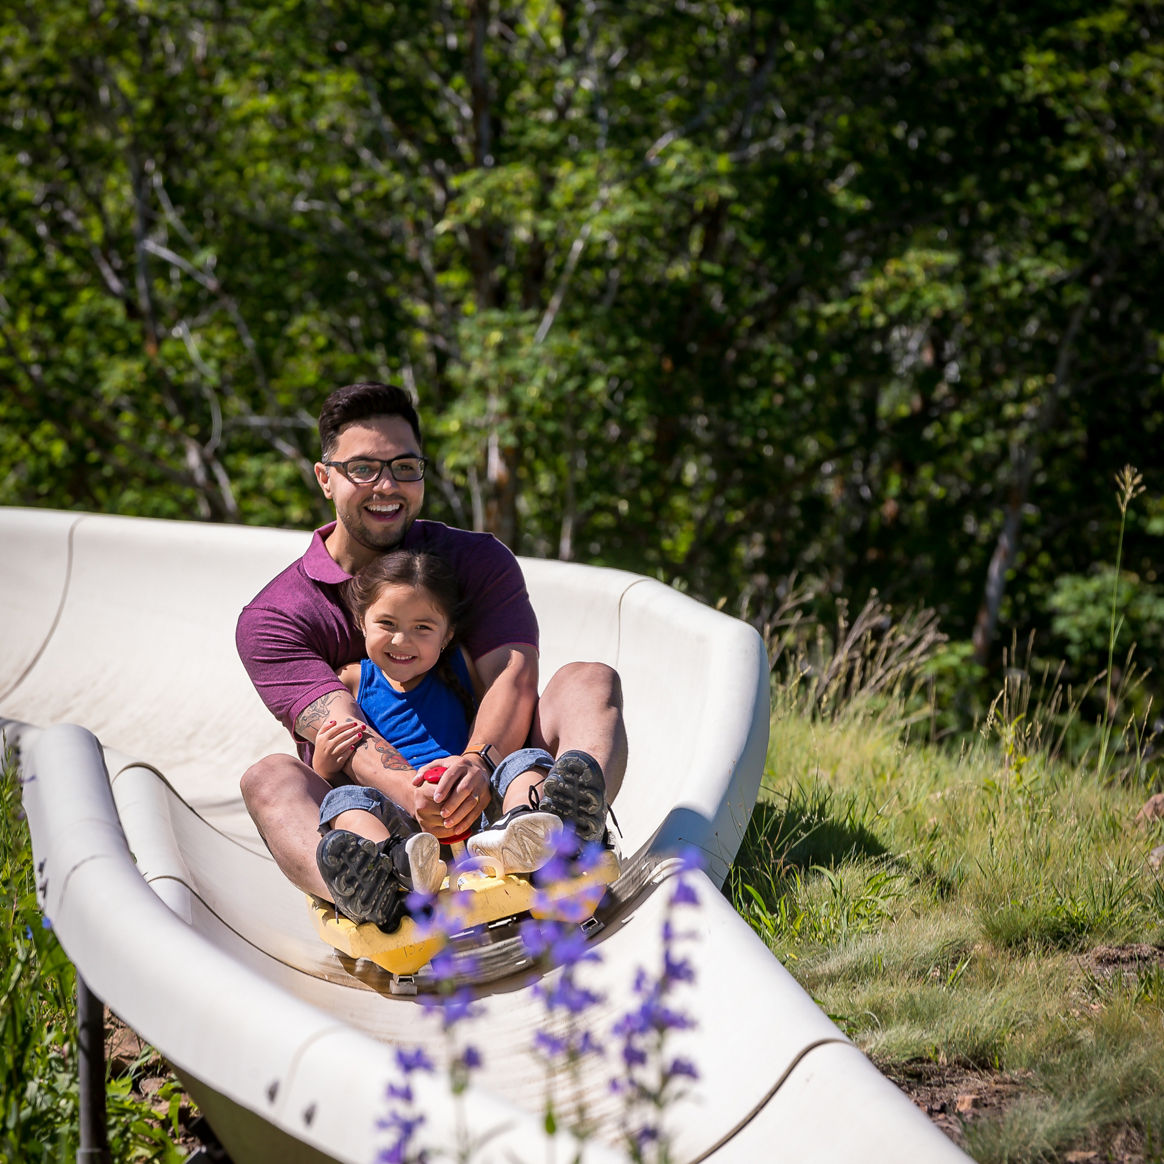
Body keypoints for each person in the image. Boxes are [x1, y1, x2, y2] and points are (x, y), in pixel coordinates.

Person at [236, 381, 627, 931]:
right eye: (364, 469)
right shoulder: (276, 616)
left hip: (494, 783)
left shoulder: (476, 560)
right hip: (385, 815)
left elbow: (512, 679)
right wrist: (421, 799)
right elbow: (347, 736)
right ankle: (372, 886)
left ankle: (560, 827)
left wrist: (477, 764)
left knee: (589, 679)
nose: (387, 486)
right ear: (325, 479)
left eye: (404, 466)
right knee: (268, 778)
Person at [312, 546, 565, 929]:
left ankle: (521, 829)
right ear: (362, 622)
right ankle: (394, 866)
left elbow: (503, 710)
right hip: (406, 828)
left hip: (476, 810)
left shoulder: (461, 667)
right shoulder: (351, 679)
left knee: (522, 761)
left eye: (422, 628)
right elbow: (332, 771)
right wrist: (324, 762)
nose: (401, 641)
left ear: (446, 635)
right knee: (343, 800)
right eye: (387, 624)